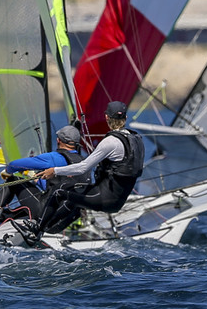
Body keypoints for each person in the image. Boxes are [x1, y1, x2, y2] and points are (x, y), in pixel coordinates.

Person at [18, 101, 144, 242]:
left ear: (107, 117)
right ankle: (46, 229)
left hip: (104, 198)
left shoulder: (111, 142)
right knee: (71, 194)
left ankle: (36, 230)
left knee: (59, 193)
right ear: (125, 119)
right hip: (117, 201)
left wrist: (55, 171)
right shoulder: (136, 140)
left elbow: (83, 167)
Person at [0, 125, 87, 229]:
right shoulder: (83, 163)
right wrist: (33, 177)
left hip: (44, 214)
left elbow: (14, 165)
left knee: (14, 180)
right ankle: (5, 215)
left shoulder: (53, 158)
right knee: (24, 208)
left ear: (58, 140)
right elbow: (56, 186)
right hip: (63, 220)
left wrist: (7, 172)